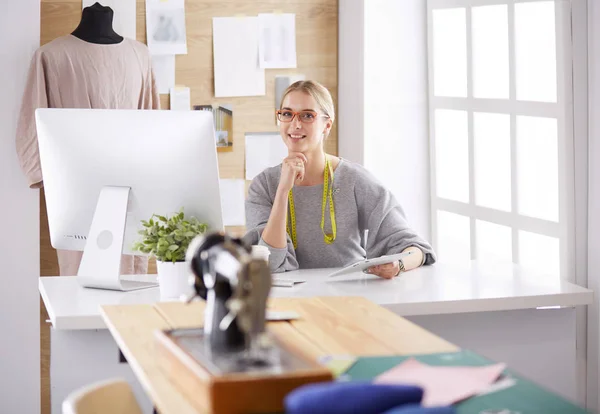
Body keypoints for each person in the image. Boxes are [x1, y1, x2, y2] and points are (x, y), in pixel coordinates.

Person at [244, 80, 435, 279]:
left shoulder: (354, 179)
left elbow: (416, 248)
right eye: (287, 114)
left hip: (349, 294)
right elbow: (270, 263)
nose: (295, 124)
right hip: (289, 301)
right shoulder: (264, 186)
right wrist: (283, 191)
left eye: (307, 115)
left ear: (327, 124)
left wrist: (399, 264)